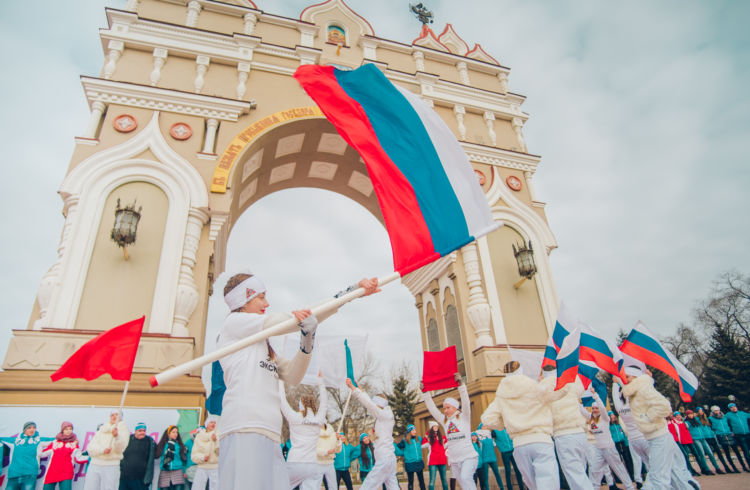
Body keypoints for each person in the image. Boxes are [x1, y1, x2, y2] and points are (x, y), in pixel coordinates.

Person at [216, 273, 378, 490]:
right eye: (261, 297)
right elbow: (287, 321)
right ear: (243, 301)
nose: (267, 303)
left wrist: (307, 340)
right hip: (244, 427)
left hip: (269, 430)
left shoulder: (264, 345)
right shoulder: (232, 324)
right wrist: (349, 293)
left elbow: (293, 374)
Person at [480, 361, 563, 490]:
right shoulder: (534, 387)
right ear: (521, 371)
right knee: (548, 481)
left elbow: (487, 419)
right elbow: (559, 393)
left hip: (519, 444)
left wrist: (505, 423)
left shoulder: (501, 395)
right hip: (540, 439)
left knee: (531, 484)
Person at [619, 365, 695, 490]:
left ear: (635, 377)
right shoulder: (635, 391)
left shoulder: (643, 389)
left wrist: (647, 419)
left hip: (659, 437)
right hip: (654, 437)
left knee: (657, 476)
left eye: (627, 376)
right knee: (671, 473)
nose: (625, 379)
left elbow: (664, 406)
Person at [423, 374, 478, 490]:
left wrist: (461, 386)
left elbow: (466, 402)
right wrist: (425, 393)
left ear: (455, 407)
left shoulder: (464, 417)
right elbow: (433, 410)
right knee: (464, 484)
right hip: (454, 460)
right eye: (444, 408)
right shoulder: (445, 421)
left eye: (448, 407)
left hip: (468, 457)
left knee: (466, 478)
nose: (445, 410)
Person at [538, 365, 589, 490]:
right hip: (580, 432)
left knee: (576, 476)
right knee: (581, 472)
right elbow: (581, 388)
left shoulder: (544, 387)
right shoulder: (569, 382)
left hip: (563, 434)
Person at [346, 378, 399, 489]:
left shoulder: (385, 415)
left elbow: (370, 405)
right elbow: (372, 406)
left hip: (384, 459)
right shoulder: (382, 416)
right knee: (393, 486)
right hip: (388, 459)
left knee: (368, 485)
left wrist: (354, 389)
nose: (373, 407)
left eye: (375, 404)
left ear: (380, 404)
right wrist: (362, 391)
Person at [280, 374, 329, 488]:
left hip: (295, 462)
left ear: (301, 406)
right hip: (311, 464)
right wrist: (321, 381)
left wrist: (280, 379)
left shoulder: (295, 417)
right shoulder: (319, 418)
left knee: (281, 486)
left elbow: (282, 401)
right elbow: (325, 403)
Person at [581, 389, 634, 489]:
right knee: (595, 472)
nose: (594, 410)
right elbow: (582, 411)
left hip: (609, 448)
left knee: (619, 469)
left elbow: (602, 407)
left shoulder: (605, 418)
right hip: (598, 450)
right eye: (593, 409)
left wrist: (595, 394)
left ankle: (629, 486)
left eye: (596, 408)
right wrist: (574, 399)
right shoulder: (591, 419)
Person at [612, 382, 649, 488]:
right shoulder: (634, 404)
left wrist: (615, 384)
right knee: (649, 460)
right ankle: (649, 480)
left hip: (632, 438)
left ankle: (638, 480)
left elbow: (615, 397)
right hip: (642, 436)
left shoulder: (620, 408)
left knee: (637, 460)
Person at [85, 412, 130, 490]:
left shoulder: (123, 430)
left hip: (111, 465)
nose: (114, 417)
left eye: (117, 415)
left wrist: (117, 436)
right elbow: (90, 447)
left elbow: (121, 448)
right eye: (112, 415)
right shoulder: (102, 430)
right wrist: (102, 450)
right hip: (95, 464)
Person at [43, 422, 86, 490]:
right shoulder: (55, 442)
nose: (68, 431)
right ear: (62, 430)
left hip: (66, 473)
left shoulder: (74, 443)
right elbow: (42, 453)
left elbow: (78, 458)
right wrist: (36, 446)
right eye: (66, 429)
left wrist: (91, 457)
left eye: (70, 429)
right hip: (52, 472)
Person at [6, 421, 49, 490]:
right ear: (24, 430)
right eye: (29, 428)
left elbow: (57, 440)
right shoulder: (15, 441)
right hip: (14, 475)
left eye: (34, 428)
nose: (32, 429)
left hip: (29, 476)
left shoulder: (39, 441)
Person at [708, 405, 749, 472]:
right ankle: (733, 467)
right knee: (727, 452)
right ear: (712, 411)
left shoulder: (724, 417)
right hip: (720, 436)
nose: (717, 412)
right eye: (715, 410)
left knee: (737, 451)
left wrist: (731, 431)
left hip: (729, 434)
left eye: (718, 410)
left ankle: (744, 466)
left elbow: (730, 424)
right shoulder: (710, 418)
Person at [696, 407, 735, 473]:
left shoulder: (707, 419)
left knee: (719, 453)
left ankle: (726, 467)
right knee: (709, 454)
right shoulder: (697, 419)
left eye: (702, 411)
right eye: (699, 411)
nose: (701, 412)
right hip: (705, 438)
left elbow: (712, 426)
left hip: (712, 437)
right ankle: (708, 468)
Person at [684, 410, 723, 474]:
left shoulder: (696, 420)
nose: (690, 415)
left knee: (710, 453)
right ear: (687, 415)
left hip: (702, 438)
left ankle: (717, 468)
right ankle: (707, 469)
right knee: (702, 454)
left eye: (691, 414)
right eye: (689, 414)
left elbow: (702, 417)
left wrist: (700, 412)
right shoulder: (687, 422)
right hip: (695, 439)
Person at [119, 422, 156, 490]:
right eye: (140, 431)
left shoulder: (149, 441)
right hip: (124, 478)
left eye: (144, 431)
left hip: (140, 479)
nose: (142, 432)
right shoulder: (127, 439)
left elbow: (156, 455)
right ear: (135, 431)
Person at [155, 426, 188, 490]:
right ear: (168, 433)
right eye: (173, 432)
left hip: (177, 471)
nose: (175, 434)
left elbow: (184, 459)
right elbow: (156, 455)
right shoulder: (163, 444)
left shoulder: (179, 445)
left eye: (176, 432)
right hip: (165, 471)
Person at [309, 423, 340, 490]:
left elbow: (337, 450)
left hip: (330, 463)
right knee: (316, 485)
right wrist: (326, 452)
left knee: (333, 486)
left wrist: (338, 440)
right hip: (318, 463)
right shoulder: (314, 434)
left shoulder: (332, 434)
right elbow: (314, 449)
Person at [191, 418, 219, 490]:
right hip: (202, 466)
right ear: (206, 424)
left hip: (215, 467)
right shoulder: (199, 436)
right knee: (197, 487)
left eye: (214, 422)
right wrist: (202, 457)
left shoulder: (218, 435)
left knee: (216, 487)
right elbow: (194, 454)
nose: (213, 424)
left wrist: (216, 441)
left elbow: (221, 452)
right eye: (211, 422)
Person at [396, 424, 426, 490]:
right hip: (410, 463)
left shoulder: (419, 438)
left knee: (421, 481)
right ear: (409, 432)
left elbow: (426, 442)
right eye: (413, 430)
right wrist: (403, 453)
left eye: (415, 430)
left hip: (419, 462)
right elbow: (397, 447)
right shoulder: (405, 440)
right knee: (411, 481)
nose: (415, 431)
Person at [609, 411, 636, 481]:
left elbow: (623, 433)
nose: (613, 417)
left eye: (613, 415)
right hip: (615, 444)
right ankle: (618, 478)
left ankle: (632, 475)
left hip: (622, 443)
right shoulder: (609, 427)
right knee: (617, 461)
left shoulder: (618, 424)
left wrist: (626, 443)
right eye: (611, 416)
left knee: (627, 459)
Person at [475, 425, 504, 490]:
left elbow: (494, 444)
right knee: (485, 477)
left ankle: (502, 488)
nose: (485, 427)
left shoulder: (489, 434)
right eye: (483, 426)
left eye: (486, 426)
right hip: (484, 459)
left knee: (497, 474)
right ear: (480, 427)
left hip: (492, 458)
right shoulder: (478, 435)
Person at [423, 422, 448, 490]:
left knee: (444, 480)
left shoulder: (442, 438)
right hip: (433, 460)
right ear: (431, 428)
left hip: (442, 459)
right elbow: (422, 446)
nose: (436, 427)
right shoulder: (429, 438)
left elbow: (447, 444)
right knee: (432, 481)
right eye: (434, 426)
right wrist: (426, 437)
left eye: (436, 426)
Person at [725, 402, 750, 468]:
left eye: (734, 406)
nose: (733, 408)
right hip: (739, 435)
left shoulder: (742, 413)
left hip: (747, 434)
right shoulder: (728, 415)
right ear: (730, 409)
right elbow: (722, 420)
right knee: (746, 451)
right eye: (731, 407)